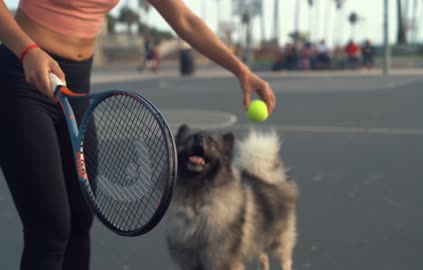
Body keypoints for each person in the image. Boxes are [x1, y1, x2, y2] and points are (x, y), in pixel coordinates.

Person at [0, 1, 276, 270]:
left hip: (75, 88)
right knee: (50, 228)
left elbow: (183, 18)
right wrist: (27, 50)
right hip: (22, 76)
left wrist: (240, 70)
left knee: (80, 221)